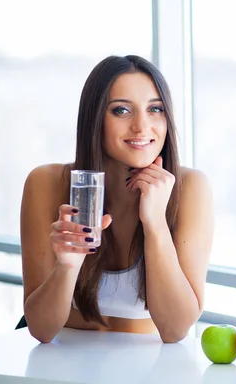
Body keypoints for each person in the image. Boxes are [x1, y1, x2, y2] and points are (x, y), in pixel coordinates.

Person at [20, 55, 214, 343]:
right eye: (122, 110)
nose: (141, 126)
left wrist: (155, 222)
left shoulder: (191, 188)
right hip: (61, 364)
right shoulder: (46, 183)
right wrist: (68, 264)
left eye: (155, 109)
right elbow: (40, 329)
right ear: (95, 119)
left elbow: (175, 329)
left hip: (146, 369)